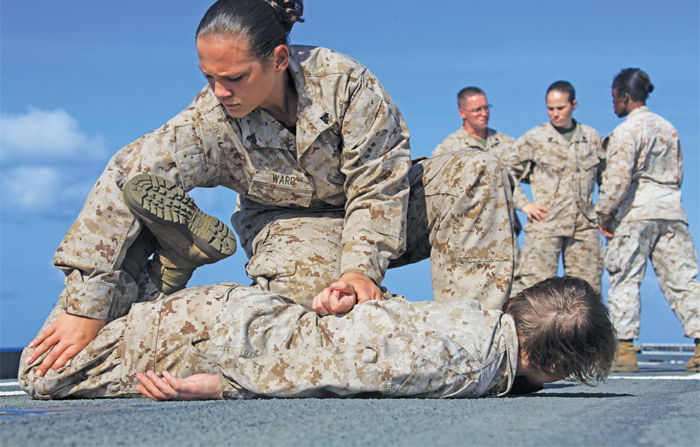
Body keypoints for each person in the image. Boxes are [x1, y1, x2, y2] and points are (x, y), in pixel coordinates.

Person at [24, 0, 516, 379]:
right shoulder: (210, 121)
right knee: (323, 312)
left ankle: (475, 342)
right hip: (291, 230)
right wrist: (85, 307)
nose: (220, 91)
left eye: (234, 77)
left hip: (382, 216)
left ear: (279, 59)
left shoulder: (345, 85)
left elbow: (379, 183)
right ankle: (418, 346)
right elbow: (125, 173)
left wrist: (362, 269)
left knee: (476, 171)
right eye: (209, 76)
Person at [19, 276, 617, 400]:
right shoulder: (475, 363)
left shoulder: (477, 318)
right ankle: (151, 272)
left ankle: (155, 282)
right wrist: (223, 390)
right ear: (559, 366)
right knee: (39, 376)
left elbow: (385, 324)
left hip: (242, 317)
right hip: (221, 340)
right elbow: (338, 363)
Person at [597, 68, 700, 372]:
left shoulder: (627, 131)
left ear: (625, 96)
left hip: (635, 214)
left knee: (624, 279)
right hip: (671, 212)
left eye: (614, 96)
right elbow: (678, 173)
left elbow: (616, 180)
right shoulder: (668, 128)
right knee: (683, 281)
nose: (613, 102)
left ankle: (624, 351)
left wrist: (603, 215)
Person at [433, 87, 548, 293]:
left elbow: (516, 178)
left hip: (505, 233)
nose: (484, 113)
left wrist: (525, 205)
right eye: (477, 110)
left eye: (486, 108)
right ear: (463, 113)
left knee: (518, 291)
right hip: (470, 238)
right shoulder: (448, 149)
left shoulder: (506, 143)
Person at [506, 81, 604, 292]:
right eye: (550, 108)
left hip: (583, 228)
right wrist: (524, 204)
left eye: (561, 108)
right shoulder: (535, 138)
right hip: (545, 226)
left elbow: (608, 177)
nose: (555, 113)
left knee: (587, 295)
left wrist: (602, 211)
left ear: (574, 104)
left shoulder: (592, 138)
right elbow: (505, 170)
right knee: (537, 293)